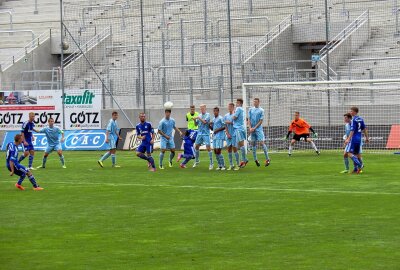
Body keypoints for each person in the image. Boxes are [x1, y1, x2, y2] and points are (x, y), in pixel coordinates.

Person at [344, 107, 369, 174]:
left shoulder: (353, 120)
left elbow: (352, 130)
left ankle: (360, 165)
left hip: (354, 139)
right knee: (355, 154)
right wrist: (367, 138)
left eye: (351, 111)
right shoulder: (361, 119)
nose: (350, 112)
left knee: (349, 153)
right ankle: (355, 169)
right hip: (359, 139)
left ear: (355, 112)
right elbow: (364, 129)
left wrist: (348, 139)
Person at [248, 98, 271, 167]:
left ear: (259, 102)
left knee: (262, 143)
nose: (254, 103)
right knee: (253, 144)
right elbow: (248, 119)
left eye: (256, 102)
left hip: (258, 129)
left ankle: (267, 159)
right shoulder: (250, 109)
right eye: (254, 102)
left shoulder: (261, 110)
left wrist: (254, 128)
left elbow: (261, 121)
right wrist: (250, 128)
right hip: (252, 129)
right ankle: (255, 159)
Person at [193, 104, 214, 170]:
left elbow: (204, 122)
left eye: (202, 108)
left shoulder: (208, 115)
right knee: (196, 146)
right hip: (199, 133)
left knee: (208, 148)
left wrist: (198, 118)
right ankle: (197, 161)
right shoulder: (199, 115)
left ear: (205, 108)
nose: (201, 109)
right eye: (200, 108)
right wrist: (194, 120)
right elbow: (196, 124)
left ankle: (211, 163)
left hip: (206, 133)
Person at [232, 98, 249, 168]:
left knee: (241, 145)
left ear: (241, 104)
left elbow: (234, 117)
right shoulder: (242, 110)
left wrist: (233, 114)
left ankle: (244, 160)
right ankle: (244, 160)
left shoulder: (238, 109)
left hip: (239, 128)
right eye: (236, 103)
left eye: (238, 103)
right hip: (239, 128)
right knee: (236, 145)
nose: (237, 104)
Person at [224, 103, 240, 170]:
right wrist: (227, 133)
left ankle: (238, 164)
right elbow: (225, 125)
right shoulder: (226, 115)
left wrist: (229, 122)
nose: (229, 108)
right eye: (229, 106)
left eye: (231, 107)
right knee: (229, 149)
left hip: (234, 134)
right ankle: (231, 164)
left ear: (233, 108)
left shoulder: (235, 115)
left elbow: (236, 124)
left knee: (235, 148)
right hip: (228, 134)